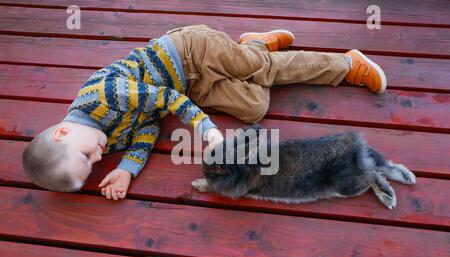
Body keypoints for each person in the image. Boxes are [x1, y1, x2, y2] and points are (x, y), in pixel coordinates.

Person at [22, 24, 387, 201]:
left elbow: (165, 100)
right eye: (93, 165)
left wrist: (206, 129)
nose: (99, 156)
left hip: (189, 51)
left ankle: (345, 65)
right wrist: (125, 170)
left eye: (87, 156)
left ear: (63, 133)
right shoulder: (103, 137)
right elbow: (147, 125)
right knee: (254, 107)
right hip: (192, 86)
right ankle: (256, 44)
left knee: (264, 70)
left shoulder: (101, 95)